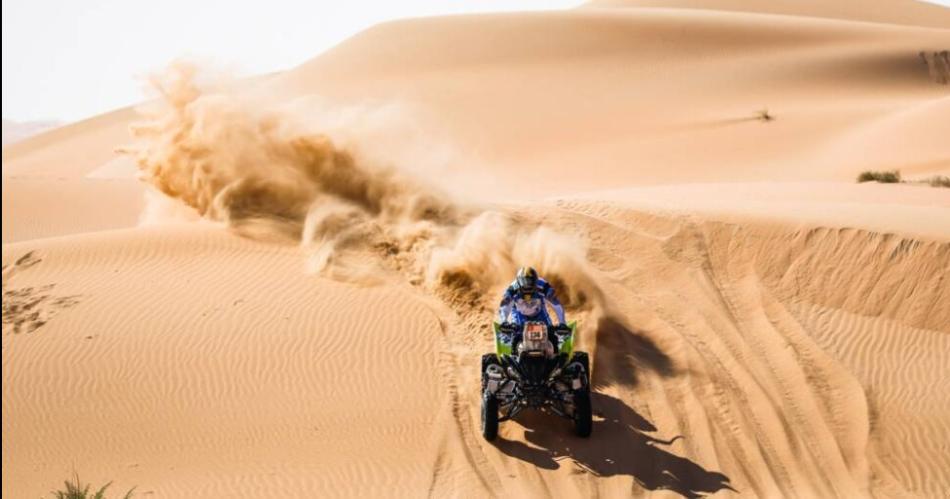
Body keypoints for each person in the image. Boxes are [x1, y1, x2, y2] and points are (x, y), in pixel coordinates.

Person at [497, 266, 566, 329]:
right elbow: (505, 304)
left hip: (539, 313)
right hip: (519, 314)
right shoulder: (513, 288)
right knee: (515, 334)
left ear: (536, 281)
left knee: (550, 332)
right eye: (525, 282)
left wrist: (562, 323)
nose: (527, 285)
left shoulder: (543, 285)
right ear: (518, 281)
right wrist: (503, 321)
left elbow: (555, 302)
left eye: (530, 282)